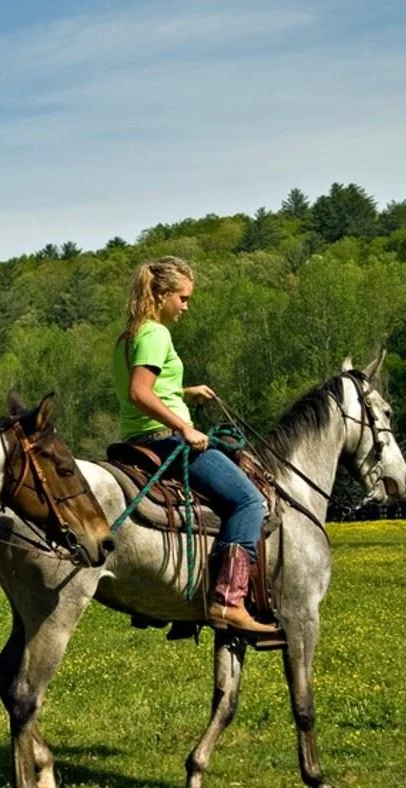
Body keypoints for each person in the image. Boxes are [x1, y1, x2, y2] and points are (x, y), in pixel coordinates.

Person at [112, 256, 276, 635]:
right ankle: (229, 601)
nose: (186, 306)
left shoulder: (129, 336)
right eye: (183, 298)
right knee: (250, 500)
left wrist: (186, 392)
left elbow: (145, 389)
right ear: (161, 295)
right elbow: (140, 392)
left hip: (136, 438)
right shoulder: (156, 334)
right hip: (165, 439)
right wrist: (185, 426)